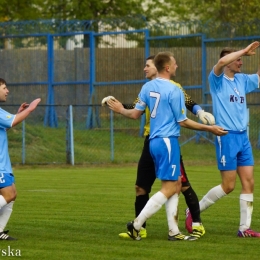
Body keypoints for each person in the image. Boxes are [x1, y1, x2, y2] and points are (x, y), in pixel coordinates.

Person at [106, 52, 227, 241]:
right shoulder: (174, 89)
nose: (177, 66)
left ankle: (174, 232)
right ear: (168, 67)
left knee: (176, 184)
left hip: (153, 141)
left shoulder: (147, 87)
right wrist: (209, 128)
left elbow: (135, 114)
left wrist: (121, 109)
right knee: (170, 188)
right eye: (175, 64)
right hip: (168, 141)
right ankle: (137, 225)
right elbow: (183, 121)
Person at [185, 41, 260, 237]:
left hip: (243, 137)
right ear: (229, 62)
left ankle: (244, 229)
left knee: (249, 182)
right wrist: (242, 50)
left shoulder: (242, 80)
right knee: (228, 186)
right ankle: (193, 211)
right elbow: (219, 63)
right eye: (238, 60)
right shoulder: (217, 80)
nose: (241, 63)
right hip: (226, 136)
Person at [0, 78, 41, 240]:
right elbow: (13, 122)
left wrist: (18, 114)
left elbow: (8, 125)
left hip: (3, 164)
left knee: (12, 195)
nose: (7, 91)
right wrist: (30, 109)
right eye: (4, 87)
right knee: (9, 195)